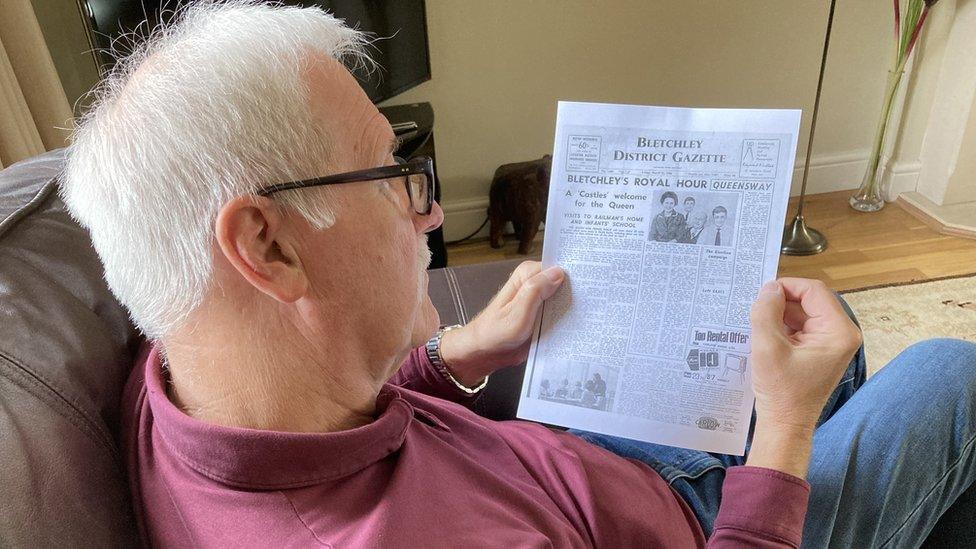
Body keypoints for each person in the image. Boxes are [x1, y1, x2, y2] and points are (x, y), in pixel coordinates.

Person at [59, 3, 976, 548]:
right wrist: (781, 433)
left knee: (819, 329)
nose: (426, 210)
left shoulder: (181, 366)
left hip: (571, 469)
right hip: (697, 528)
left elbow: (325, 421)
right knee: (950, 376)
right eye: (395, 173)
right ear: (266, 246)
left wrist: (451, 356)